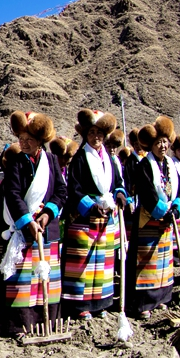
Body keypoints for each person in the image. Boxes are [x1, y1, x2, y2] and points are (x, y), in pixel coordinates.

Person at [0, 111, 67, 336]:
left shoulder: (52, 161)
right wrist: (28, 221)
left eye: (29, 139)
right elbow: (13, 194)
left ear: (40, 141)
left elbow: (61, 191)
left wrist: (47, 214)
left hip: (47, 228)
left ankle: (46, 321)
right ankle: (20, 325)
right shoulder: (15, 162)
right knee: (23, 281)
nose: (24, 143)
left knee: (45, 278)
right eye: (21, 139)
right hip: (24, 229)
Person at [62, 110, 126, 320]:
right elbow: (74, 189)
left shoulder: (110, 159)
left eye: (99, 133)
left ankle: (101, 302)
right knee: (84, 263)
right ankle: (80, 305)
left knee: (103, 263)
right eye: (91, 132)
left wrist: (120, 194)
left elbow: (117, 183)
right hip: (85, 218)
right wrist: (90, 207)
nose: (96, 136)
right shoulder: (80, 158)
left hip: (106, 216)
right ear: (85, 134)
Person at [131, 117, 180, 318]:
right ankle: (145, 302)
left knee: (164, 261)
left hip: (167, 220)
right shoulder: (144, 165)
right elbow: (147, 193)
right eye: (158, 143)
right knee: (147, 261)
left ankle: (162, 298)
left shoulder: (172, 165)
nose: (162, 146)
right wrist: (163, 211)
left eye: (165, 142)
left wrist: (176, 208)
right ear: (151, 145)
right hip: (149, 219)